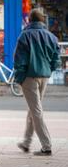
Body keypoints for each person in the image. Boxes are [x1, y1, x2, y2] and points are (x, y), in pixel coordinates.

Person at [15, 9, 61, 156]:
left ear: (30, 20)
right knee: (34, 109)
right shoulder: (51, 37)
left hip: (29, 77)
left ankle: (46, 146)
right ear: (42, 20)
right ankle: (26, 142)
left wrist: (19, 78)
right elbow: (56, 59)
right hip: (44, 76)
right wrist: (49, 70)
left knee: (36, 110)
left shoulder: (24, 36)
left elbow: (19, 60)